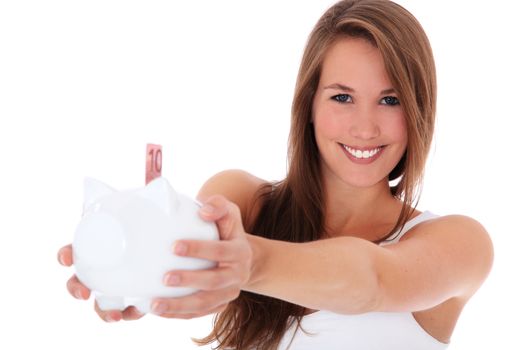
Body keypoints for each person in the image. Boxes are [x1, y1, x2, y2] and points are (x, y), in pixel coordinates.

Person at [58, 0, 494, 349]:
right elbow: (191, 243)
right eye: (342, 97)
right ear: (309, 105)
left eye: (390, 100)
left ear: (419, 111)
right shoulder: (244, 200)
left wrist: (251, 262)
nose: (365, 127)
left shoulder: (458, 244)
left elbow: (372, 280)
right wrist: (124, 262)